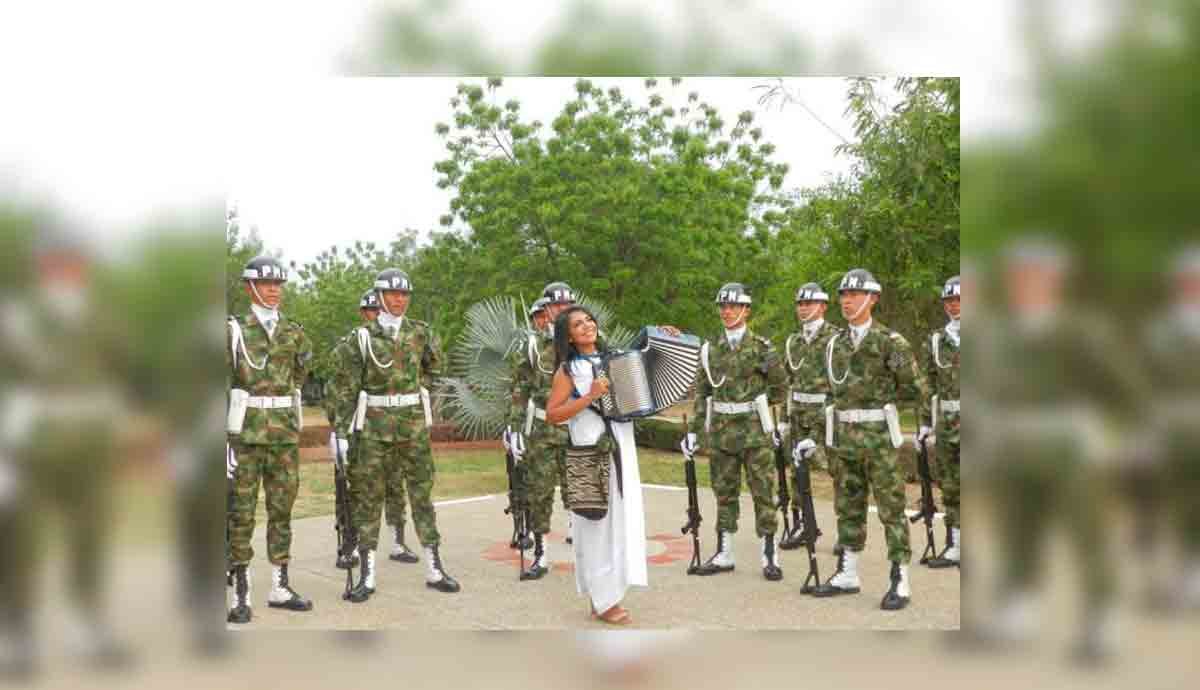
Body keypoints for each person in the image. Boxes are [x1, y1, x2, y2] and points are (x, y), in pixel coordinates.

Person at [329, 269, 459, 602]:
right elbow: (345, 388)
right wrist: (340, 431)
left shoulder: (421, 333)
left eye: (404, 294)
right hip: (374, 427)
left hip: (412, 425)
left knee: (421, 495)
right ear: (379, 296)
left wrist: (416, 389)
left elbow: (435, 367)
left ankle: (434, 567)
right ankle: (368, 573)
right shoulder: (361, 338)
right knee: (369, 498)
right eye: (393, 294)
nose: (400, 299)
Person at [809, 268, 928, 610]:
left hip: (878, 439)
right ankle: (847, 572)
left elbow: (915, 388)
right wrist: (817, 435)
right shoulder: (834, 344)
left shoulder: (891, 342)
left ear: (873, 298)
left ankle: (900, 578)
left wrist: (885, 403)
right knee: (848, 506)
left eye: (855, 295)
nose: (847, 301)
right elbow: (826, 392)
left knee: (891, 509)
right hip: (845, 438)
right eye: (844, 295)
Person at [545, 305, 649, 624]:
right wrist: (589, 396)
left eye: (589, 320)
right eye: (578, 324)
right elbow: (553, 414)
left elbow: (643, 359)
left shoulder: (613, 359)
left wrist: (661, 335)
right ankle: (602, 599)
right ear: (569, 336)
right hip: (589, 451)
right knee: (595, 524)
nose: (587, 325)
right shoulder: (567, 371)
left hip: (621, 447)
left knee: (621, 519)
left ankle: (606, 596)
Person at [226, 255, 315, 623]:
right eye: (266, 284)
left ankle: (280, 585)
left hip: (283, 436)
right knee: (241, 513)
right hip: (244, 436)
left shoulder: (294, 333)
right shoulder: (233, 331)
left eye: (278, 284)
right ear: (250, 288)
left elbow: (300, 373)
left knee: (282, 510)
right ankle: (240, 590)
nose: (274, 290)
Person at [681, 283, 788, 580]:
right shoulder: (710, 349)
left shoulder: (763, 348)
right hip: (722, 433)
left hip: (754, 433)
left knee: (763, 493)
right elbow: (703, 392)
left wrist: (759, 407)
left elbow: (780, 387)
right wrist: (694, 432)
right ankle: (724, 552)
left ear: (746, 310)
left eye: (733, 306)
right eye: (723, 307)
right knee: (724, 492)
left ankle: (769, 554)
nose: (727, 312)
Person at [324, 289, 418, 568]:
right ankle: (349, 545)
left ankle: (398, 541)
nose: (376, 315)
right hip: (357, 430)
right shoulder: (352, 345)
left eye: (379, 311)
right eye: (371, 311)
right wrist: (339, 429)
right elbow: (336, 390)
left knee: (395, 485)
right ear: (362, 313)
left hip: (391, 428)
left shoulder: (398, 344)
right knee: (355, 490)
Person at [506, 283, 576, 580]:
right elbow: (520, 388)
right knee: (540, 493)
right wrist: (514, 428)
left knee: (579, 491)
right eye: (556, 305)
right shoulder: (533, 345)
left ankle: (584, 550)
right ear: (547, 309)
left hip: (577, 429)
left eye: (567, 304)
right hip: (542, 430)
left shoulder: (586, 339)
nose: (562, 310)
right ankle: (541, 554)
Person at [779, 282, 840, 552]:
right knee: (797, 472)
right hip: (798, 415)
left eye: (809, 303)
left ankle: (847, 531)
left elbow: (841, 384)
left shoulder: (836, 339)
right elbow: (788, 383)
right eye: (800, 304)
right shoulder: (793, 341)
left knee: (839, 472)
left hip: (827, 416)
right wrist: (783, 419)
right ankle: (804, 524)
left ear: (823, 306)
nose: (803, 308)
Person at [920, 275, 961, 568]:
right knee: (951, 485)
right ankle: (956, 544)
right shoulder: (936, 340)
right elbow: (928, 384)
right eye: (949, 300)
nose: (953, 305)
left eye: (959, 300)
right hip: (948, 422)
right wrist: (925, 422)